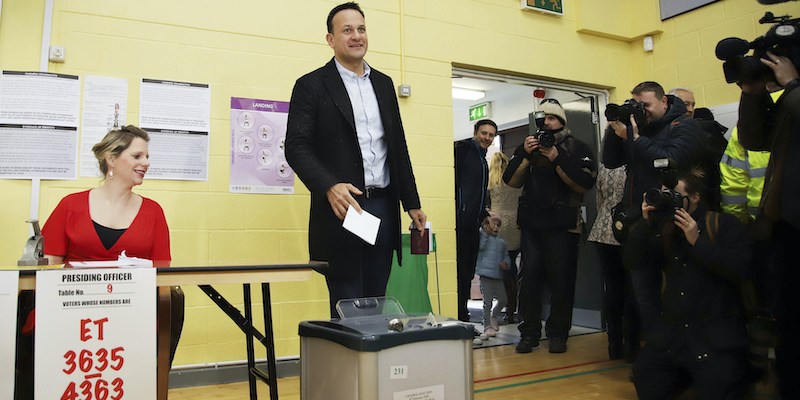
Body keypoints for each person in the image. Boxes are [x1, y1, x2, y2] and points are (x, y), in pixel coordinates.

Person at [16, 126, 184, 400]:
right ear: (112, 159)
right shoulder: (70, 205)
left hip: (130, 313)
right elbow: (49, 270)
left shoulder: (153, 212)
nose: (146, 163)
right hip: (71, 311)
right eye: (138, 155)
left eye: (147, 156)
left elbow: (161, 273)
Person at [285, 2, 426, 318]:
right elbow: (296, 147)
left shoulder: (384, 84)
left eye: (361, 29)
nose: (356, 36)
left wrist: (412, 203)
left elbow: (398, 148)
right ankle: (348, 368)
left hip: (383, 206)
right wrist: (329, 186)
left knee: (377, 298)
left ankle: (371, 367)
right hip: (344, 207)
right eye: (346, 30)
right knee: (347, 301)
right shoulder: (312, 85)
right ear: (330, 39)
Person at [627, 169, 751, 399]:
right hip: (673, 337)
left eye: (674, 195)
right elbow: (633, 261)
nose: (668, 201)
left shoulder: (723, 224)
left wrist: (697, 242)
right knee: (645, 376)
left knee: (719, 388)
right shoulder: (666, 231)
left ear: (695, 197)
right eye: (663, 195)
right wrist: (644, 225)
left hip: (714, 338)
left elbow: (739, 270)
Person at [503, 99, 596, 354]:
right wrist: (523, 152)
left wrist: (558, 158)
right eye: (543, 120)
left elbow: (584, 183)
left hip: (564, 226)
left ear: (562, 122)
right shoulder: (530, 148)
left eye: (552, 119)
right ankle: (529, 334)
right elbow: (509, 180)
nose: (547, 125)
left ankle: (558, 335)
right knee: (529, 282)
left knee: (561, 283)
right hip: (532, 225)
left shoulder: (577, 147)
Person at [737, 50, 800, 399]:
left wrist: (791, 84)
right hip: (785, 225)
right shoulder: (789, 102)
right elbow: (754, 138)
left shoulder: (794, 92)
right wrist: (752, 90)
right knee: (787, 321)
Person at [588, 163, 641, 362]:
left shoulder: (606, 166)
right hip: (631, 229)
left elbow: (599, 200)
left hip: (603, 229)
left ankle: (614, 344)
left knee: (612, 288)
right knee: (632, 289)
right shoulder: (638, 164)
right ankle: (632, 345)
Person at [454, 119, 496, 322]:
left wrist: (483, 216)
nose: (487, 138)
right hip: (458, 225)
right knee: (460, 274)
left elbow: (477, 195)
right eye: (484, 133)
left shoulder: (483, 160)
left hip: (472, 226)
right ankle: (460, 317)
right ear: (475, 132)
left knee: (468, 273)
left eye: (491, 135)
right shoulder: (462, 151)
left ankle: (464, 315)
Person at [487, 152, 522, 323]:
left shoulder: (490, 182)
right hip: (516, 224)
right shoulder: (514, 180)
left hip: (497, 224)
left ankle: (503, 305)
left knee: (502, 267)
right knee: (513, 266)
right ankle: (512, 309)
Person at [475, 213, 511, 339]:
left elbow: (506, 256)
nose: (495, 227)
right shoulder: (483, 237)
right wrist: (484, 232)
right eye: (493, 224)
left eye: (498, 225)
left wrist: (506, 264)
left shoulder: (502, 242)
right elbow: (480, 247)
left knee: (503, 299)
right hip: (486, 275)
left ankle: (494, 316)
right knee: (487, 302)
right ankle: (486, 325)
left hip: (498, 276)